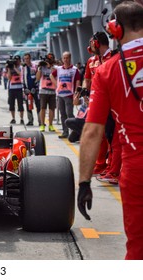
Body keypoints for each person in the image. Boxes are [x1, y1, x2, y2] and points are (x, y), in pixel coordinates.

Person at [78, 1, 143, 260]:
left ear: (114, 29)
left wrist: (84, 182)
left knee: (138, 248)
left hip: (137, 170)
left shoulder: (107, 71)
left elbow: (92, 131)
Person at [83, 32, 119, 179]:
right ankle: (101, 164)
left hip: (114, 104)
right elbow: (88, 80)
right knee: (100, 135)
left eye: (92, 43)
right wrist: (85, 95)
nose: (90, 46)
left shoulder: (114, 58)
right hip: (97, 103)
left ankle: (114, 168)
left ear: (97, 43)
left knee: (114, 138)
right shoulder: (92, 60)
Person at [50, 51, 81, 138]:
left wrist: (76, 94)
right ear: (62, 59)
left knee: (69, 114)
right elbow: (51, 76)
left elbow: (78, 82)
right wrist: (57, 85)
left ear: (70, 58)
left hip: (69, 95)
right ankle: (65, 132)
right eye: (64, 58)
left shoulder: (74, 70)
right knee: (62, 114)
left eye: (67, 58)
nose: (66, 60)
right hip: (60, 95)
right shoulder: (59, 69)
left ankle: (75, 132)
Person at [36, 53, 56, 132]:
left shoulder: (55, 67)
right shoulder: (42, 67)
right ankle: (42, 124)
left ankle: (50, 125)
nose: (48, 61)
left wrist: (50, 66)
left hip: (52, 91)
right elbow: (37, 78)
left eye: (50, 59)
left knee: (52, 109)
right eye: (48, 59)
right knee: (42, 108)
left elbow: (54, 74)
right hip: (43, 91)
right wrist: (39, 68)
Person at [22, 53, 40, 126]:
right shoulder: (23, 68)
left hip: (35, 89)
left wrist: (36, 87)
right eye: (25, 59)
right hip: (27, 89)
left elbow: (38, 77)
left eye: (27, 58)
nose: (26, 60)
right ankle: (30, 120)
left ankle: (40, 121)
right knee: (28, 105)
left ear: (30, 58)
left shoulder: (35, 66)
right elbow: (22, 79)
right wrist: (24, 88)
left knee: (38, 105)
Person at [7, 55, 24, 124]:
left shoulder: (21, 67)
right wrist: (9, 69)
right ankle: (13, 118)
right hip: (12, 88)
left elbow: (21, 75)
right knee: (11, 104)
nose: (16, 62)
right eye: (15, 60)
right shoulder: (10, 68)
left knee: (20, 104)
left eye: (17, 60)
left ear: (20, 61)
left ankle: (22, 118)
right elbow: (9, 78)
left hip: (19, 88)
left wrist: (15, 68)